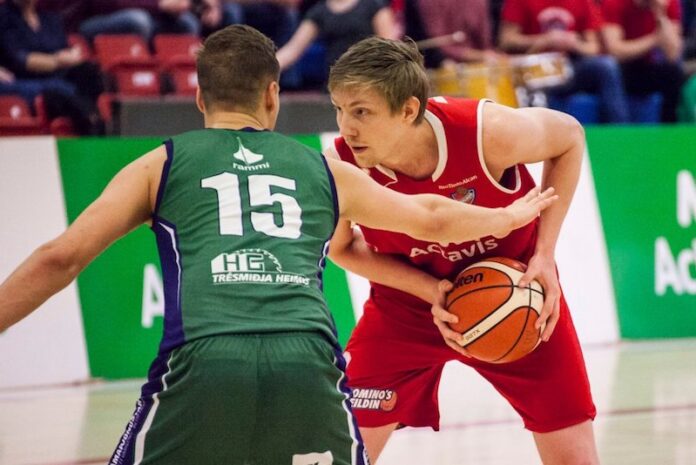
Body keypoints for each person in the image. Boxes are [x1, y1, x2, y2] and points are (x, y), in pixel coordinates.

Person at [0, 25, 556, 463]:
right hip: (310, 361)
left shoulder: (159, 164)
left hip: (205, 358)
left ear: (200, 98)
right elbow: (430, 217)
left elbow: (60, 258)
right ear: (273, 96)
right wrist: (506, 216)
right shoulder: (323, 169)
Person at [326, 36, 598, 464]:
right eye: (339, 109)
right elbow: (342, 249)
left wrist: (545, 254)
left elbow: (569, 137)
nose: (346, 127)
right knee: (340, 452)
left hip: (515, 297)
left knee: (575, 458)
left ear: (408, 110)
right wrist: (429, 291)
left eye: (361, 111)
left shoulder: (485, 132)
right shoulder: (341, 163)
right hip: (407, 310)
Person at [498, 0, 630, 123]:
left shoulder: (584, 2)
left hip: (569, 66)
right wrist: (544, 40)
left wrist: (575, 44)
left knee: (606, 65)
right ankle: (539, 132)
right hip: (533, 68)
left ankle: (619, 129)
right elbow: (506, 41)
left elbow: (593, 47)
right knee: (526, 78)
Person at [0, 0, 104, 134]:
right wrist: (57, 61)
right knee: (59, 89)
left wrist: (63, 59)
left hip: (54, 76)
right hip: (19, 80)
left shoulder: (50, 19)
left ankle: (97, 121)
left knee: (87, 72)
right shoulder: (4, 17)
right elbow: (21, 61)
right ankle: (91, 124)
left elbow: (67, 52)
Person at [601, 0, 686, 122]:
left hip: (647, 66)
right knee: (609, 69)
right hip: (620, 69)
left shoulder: (668, 4)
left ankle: (668, 126)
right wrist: (654, 40)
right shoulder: (615, 3)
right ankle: (619, 126)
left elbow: (672, 54)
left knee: (674, 72)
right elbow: (614, 50)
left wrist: (661, 15)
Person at [276, 0, 399, 84]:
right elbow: (292, 50)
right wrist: (267, 67)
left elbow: (389, 48)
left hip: (369, 81)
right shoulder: (319, 11)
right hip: (336, 83)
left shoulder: (374, 5)